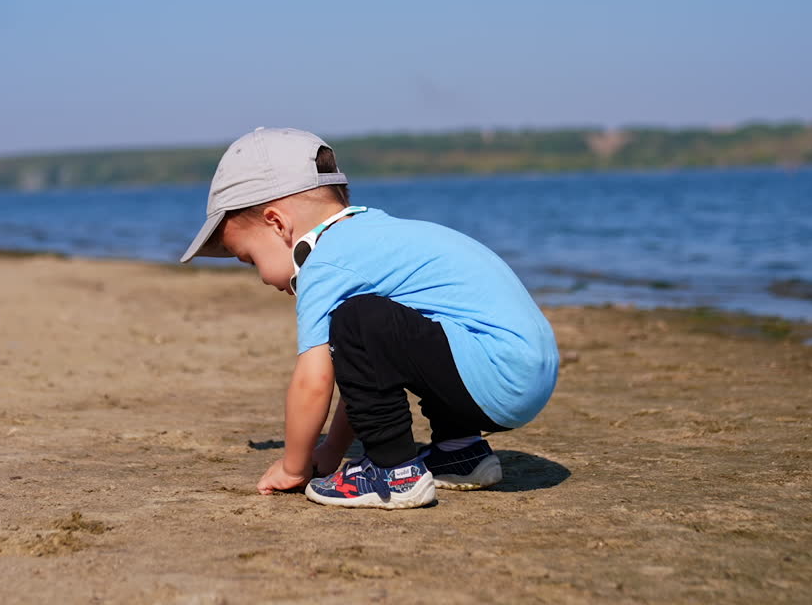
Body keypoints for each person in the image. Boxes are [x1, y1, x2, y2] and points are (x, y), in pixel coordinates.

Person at [180, 127, 559, 509]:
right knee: (389, 323)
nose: (260, 275)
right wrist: (331, 450)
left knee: (357, 319)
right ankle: (460, 453)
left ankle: (394, 473)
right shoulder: (371, 237)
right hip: (525, 371)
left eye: (249, 259)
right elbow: (365, 377)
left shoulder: (325, 263)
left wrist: (294, 466)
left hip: (496, 376)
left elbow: (313, 383)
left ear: (278, 224)